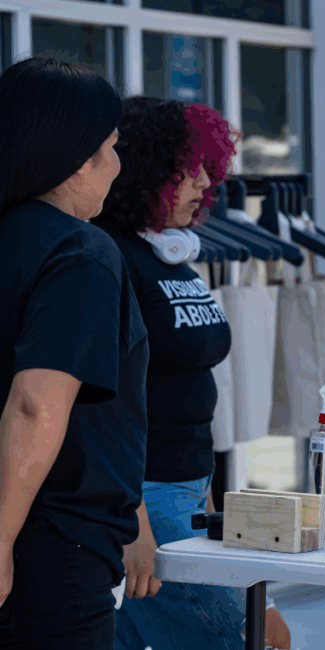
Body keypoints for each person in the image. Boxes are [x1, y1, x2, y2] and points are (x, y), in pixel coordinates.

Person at [91, 97, 291, 650]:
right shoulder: (109, 256)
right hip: (146, 500)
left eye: (208, 166)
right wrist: (134, 520)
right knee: (250, 639)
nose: (206, 182)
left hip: (188, 490)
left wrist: (203, 498)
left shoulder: (168, 253)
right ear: (148, 171)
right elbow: (100, 401)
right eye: (188, 168)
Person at [0, 58, 148, 648]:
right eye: (112, 147)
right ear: (76, 156)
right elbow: (36, 403)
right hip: (48, 545)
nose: (117, 165)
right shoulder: (82, 252)